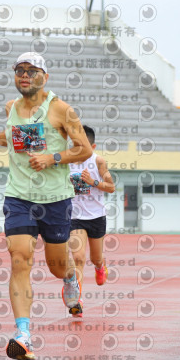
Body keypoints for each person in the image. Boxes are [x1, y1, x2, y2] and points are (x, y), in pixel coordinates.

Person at [0, 52, 93, 360]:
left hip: (55, 199)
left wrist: (53, 158)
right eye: (20, 70)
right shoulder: (11, 108)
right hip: (19, 196)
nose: (25, 75)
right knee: (19, 259)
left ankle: (70, 278)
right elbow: (15, 141)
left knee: (56, 266)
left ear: (45, 77)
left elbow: (84, 149)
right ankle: (23, 334)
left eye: (32, 70)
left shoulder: (61, 110)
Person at [68, 125, 116, 317]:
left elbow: (111, 187)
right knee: (78, 258)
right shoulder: (66, 161)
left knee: (95, 257)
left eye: (83, 147)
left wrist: (93, 182)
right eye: (75, 146)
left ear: (93, 147)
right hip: (75, 216)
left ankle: (99, 266)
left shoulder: (98, 161)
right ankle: (76, 301)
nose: (78, 150)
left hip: (96, 216)